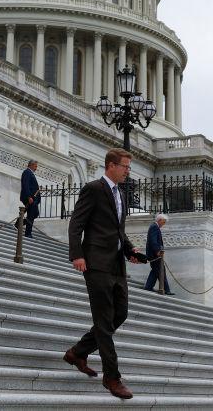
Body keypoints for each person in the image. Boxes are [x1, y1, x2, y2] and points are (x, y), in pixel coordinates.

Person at [63, 148, 146, 400]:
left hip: (116, 265)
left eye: (129, 168)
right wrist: (77, 254)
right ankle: (112, 378)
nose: (128, 171)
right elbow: (76, 223)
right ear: (111, 165)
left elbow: (117, 230)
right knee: (103, 321)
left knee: (120, 314)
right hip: (96, 263)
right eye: (125, 167)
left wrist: (130, 249)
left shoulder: (120, 193)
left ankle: (78, 352)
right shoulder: (93, 189)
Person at [143, 213, 174, 295]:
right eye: (163, 222)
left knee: (155, 271)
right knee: (161, 270)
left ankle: (148, 286)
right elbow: (153, 241)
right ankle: (167, 290)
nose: (163, 225)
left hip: (154, 254)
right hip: (154, 255)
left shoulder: (154, 227)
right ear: (159, 220)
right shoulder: (154, 227)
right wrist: (157, 251)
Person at [20, 159, 41, 237]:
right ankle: (28, 233)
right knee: (31, 214)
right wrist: (29, 197)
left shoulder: (30, 173)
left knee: (35, 213)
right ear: (31, 165)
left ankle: (19, 223)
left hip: (33, 198)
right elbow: (26, 185)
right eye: (35, 166)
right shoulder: (27, 172)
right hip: (29, 198)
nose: (36, 168)